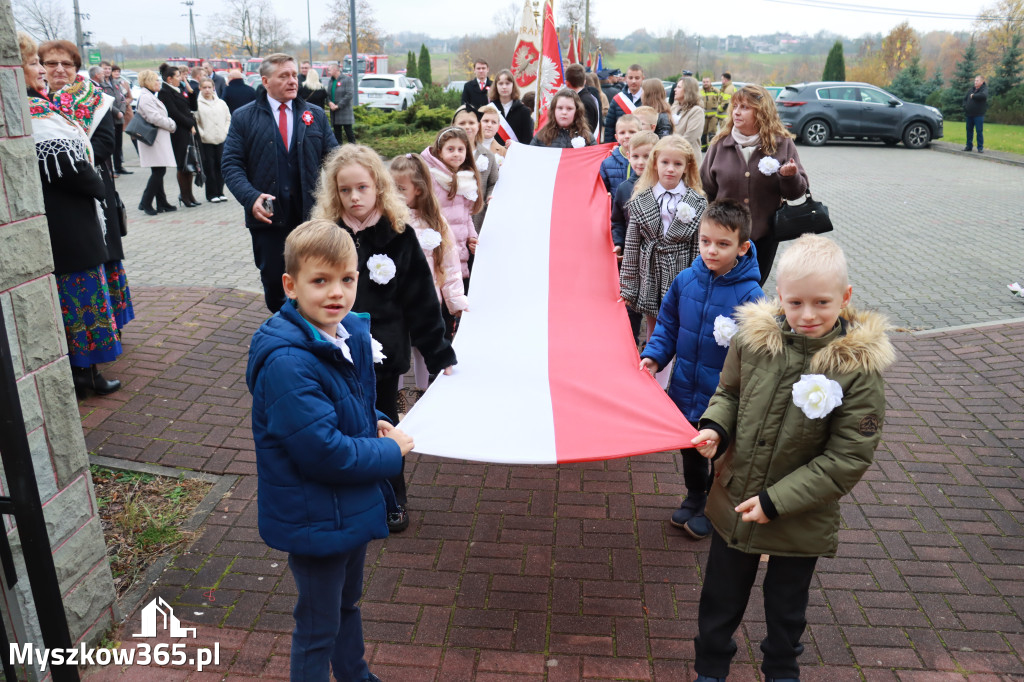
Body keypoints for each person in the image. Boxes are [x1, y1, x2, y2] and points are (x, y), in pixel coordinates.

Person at [689, 234, 893, 682]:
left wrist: (776, 501)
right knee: (720, 597)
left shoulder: (856, 368)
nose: (806, 315)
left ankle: (781, 669)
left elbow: (847, 459)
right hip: (735, 498)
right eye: (795, 302)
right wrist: (715, 428)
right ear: (778, 295)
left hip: (798, 516)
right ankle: (710, 668)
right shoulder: (755, 341)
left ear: (845, 297)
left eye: (821, 303)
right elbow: (729, 393)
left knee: (787, 607)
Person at [245, 219, 410, 682]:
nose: (336, 292)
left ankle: (354, 674)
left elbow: (343, 406)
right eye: (320, 281)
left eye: (347, 279)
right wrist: (390, 453)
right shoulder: (288, 361)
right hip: (315, 513)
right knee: (317, 624)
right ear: (290, 285)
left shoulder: (340, 334)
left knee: (345, 604)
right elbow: (323, 451)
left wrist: (372, 421)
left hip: (344, 506)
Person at [312, 145, 456, 533]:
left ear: (378, 186)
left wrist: (439, 352)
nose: (354, 197)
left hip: (382, 354)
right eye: (345, 191)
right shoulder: (325, 235)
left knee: (382, 424)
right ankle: (347, 496)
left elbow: (421, 301)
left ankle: (393, 495)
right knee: (337, 427)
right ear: (334, 193)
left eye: (362, 187)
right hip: (331, 351)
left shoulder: (399, 234)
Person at [640, 200, 764, 540]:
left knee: (720, 456)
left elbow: (759, 354)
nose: (711, 250)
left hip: (723, 397)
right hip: (684, 388)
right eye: (705, 241)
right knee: (690, 448)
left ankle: (713, 505)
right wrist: (654, 356)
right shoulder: (685, 281)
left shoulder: (752, 296)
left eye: (723, 244)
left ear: (743, 247)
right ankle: (695, 495)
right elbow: (667, 325)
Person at [24, 34, 123, 395]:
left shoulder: (50, 105)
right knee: (80, 300)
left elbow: (100, 143)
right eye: (39, 63)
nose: (49, 70)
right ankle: (85, 375)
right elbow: (68, 166)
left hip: (72, 216)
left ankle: (85, 373)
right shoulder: (34, 111)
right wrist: (96, 186)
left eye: (63, 64)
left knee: (82, 297)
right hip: (66, 219)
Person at [223, 53, 338, 313]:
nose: (292, 81)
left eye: (294, 75)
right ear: (265, 81)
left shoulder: (315, 115)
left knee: (313, 276)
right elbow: (231, 165)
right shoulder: (244, 117)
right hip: (268, 217)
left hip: (310, 216)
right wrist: (250, 197)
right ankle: (284, 331)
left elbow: (335, 160)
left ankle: (311, 330)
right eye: (283, 76)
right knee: (276, 281)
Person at [701, 84, 808, 285]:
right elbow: (706, 188)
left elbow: (797, 192)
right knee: (723, 286)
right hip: (724, 236)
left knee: (752, 288)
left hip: (763, 237)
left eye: (745, 107)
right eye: (735, 106)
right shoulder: (720, 143)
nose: (737, 112)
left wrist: (789, 176)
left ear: (761, 112)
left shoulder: (782, 143)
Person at [619, 135, 706, 355]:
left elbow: (698, 249)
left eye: (677, 164)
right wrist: (628, 287)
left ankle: (667, 376)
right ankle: (654, 375)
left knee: (676, 327)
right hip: (650, 272)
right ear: (655, 163)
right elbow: (631, 247)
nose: (670, 169)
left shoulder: (697, 202)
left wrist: (698, 284)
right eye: (665, 162)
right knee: (653, 329)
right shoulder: (641, 199)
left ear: (687, 167)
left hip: (681, 271)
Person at [389, 153, 469, 394]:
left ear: (419, 190)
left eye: (401, 188)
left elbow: (450, 263)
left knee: (423, 347)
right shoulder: (387, 220)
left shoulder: (435, 222)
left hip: (426, 298)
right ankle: (398, 396)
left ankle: (423, 391)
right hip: (395, 300)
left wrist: (454, 298)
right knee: (397, 346)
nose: (395, 193)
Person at [421, 126, 484, 292]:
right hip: (440, 245)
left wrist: (472, 236)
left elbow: (466, 215)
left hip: (461, 246)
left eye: (460, 149)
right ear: (440, 152)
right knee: (442, 290)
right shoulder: (432, 178)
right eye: (451, 149)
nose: (456, 153)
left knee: (458, 291)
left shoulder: (467, 179)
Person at [611, 130, 658, 344]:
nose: (640, 162)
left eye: (647, 156)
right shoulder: (623, 189)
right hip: (631, 258)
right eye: (635, 156)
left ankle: (653, 345)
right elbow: (617, 221)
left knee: (654, 306)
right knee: (631, 306)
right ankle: (629, 345)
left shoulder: (661, 188)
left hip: (656, 258)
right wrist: (618, 243)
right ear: (628, 156)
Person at [135, 69, 179, 215]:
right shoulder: (146, 97)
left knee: (159, 170)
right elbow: (154, 117)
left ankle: (162, 202)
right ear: (148, 81)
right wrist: (171, 124)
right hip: (153, 139)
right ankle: (145, 202)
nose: (158, 83)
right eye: (156, 80)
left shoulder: (149, 96)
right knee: (159, 171)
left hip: (157, 138)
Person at [157, 63, 200, 208]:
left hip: (188, 129)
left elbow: (192, 106)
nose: (180, 78)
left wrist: (190, 89)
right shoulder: (165, 92)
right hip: (179, 132)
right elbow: (174, 112)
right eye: (178, 76)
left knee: (190, 163)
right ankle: (184, 195)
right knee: (182, 164)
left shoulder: (179, 88)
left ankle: (190, 195)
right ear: (169, 79)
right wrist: (190, 124)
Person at [451, 105, 498, 233]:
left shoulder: (488, 155)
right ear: (454, 125)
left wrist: (490, 195)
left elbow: (493, 182)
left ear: (478, 126)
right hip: (453, 214)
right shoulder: (448, 155)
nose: (467, 126)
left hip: (478, 216)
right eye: (462, 123)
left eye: (471, 123)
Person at [195, 77, 231, 203]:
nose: (207, 90)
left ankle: (220, 191)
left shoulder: (221, 103)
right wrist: (202, 133)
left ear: (213, 88)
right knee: (209, 167)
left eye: (209, 87)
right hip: (206, 141)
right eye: (204, 87)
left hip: (220, 138)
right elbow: (196, 121)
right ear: (200, 88)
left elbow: (228, 118)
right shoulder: (197, 104)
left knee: (220, 166)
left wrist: (225, 131)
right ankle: (211, 193)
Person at [529, 89, 596, 148]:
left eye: (569, 108)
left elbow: (596, 159)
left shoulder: (587, 138)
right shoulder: (541, 136)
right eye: (560, 108)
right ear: (554, 110)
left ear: (577, 111)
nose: (564, 112)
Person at [97, 61, 130, 175]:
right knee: (110, 144)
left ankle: (119, 166)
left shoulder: (115, 82)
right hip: (109, 117)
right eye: (105, 69)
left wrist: (122, 110)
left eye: (109, 69)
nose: (107, 71)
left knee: (118, 144)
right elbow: (104, 100)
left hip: (119, 117)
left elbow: (122, 98)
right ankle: (109, 170)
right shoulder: (99, 84)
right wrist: (116, 112)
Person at [488, 68, 533, 145]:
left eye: (507, 83)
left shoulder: (524, 111)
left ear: (513, 86)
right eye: (501, 83)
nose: (504, 87)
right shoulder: (489, 109)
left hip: (516, 155)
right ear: (496, 86)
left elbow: (527, 141)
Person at [603, 64, 644, 142]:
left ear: (642, 78)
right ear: (626, 78)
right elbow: (610, 127)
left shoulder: (648, 99)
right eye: (630, 78)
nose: (633, 81)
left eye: (637, 78)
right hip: (621, 146)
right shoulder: (617, 99)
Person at [601, 114, 639, 195]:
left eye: (632, 132)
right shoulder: (607, 163)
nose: (627, 136)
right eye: (622, 133)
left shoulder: (648, 161)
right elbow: (603, 192)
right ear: (616, 137)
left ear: (640, 133)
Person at [672, 76, 704, 168]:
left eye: (678, 87)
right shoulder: (674, 108)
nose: (675, 89)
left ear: (687, 90)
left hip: (688, 160)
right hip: (672, 157)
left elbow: (689, 137)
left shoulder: (696, 111)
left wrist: (670, 147)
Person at [565, 63, 600, 134]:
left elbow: (585, 129)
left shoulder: (583, 101)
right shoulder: (584, 98)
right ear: (584, 81)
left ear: (567, 83)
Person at [327, 63, 355, 144]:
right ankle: (339, 151)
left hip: (344, 111)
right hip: (334, 112)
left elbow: (349, 94)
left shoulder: (347, 79)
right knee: (337, 134)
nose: (328, 72)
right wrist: (329, 102)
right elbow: (327, 95)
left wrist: (338, 106)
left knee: (349, 133)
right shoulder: (331, 81)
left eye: (329, 70)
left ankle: (354, 151)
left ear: (336, 70)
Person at [964, 74, 988, 153]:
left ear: (982, 81)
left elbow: (983, 96)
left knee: (979, 131)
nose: (975, 82)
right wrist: (965, 106)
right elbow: (965, 99)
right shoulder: (971, 89)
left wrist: (973, 96)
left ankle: (980, 147)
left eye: (977, 81)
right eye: (975, 80)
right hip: (969, 114)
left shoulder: (984, 89)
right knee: (969, 130)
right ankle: (969, 146)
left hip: (978, 115)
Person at [700, 78, 722, 147]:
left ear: (710, 82)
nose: (705, 83)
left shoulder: (716, 91)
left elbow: (721, 101)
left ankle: (712, 147)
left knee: (712, 131)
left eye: (707, 82)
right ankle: (703, 147)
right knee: (703, 132)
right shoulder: (699, 91)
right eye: (704, 82)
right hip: (703, 116)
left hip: (714, 115)